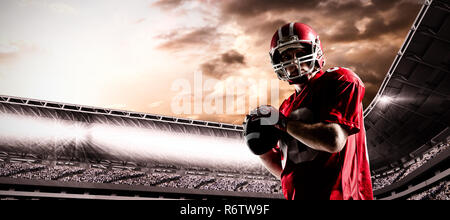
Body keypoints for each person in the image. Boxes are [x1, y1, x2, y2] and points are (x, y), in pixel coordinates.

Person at [244, 22, 373, 200]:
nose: (294, 61)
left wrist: (281, 122)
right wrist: (262, 151)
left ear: (316, 51)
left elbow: (333, 140)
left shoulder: (339, 79)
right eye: (286, 56)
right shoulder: (285, 107)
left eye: (300, 53)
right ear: (277, 62)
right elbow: (287, 170)